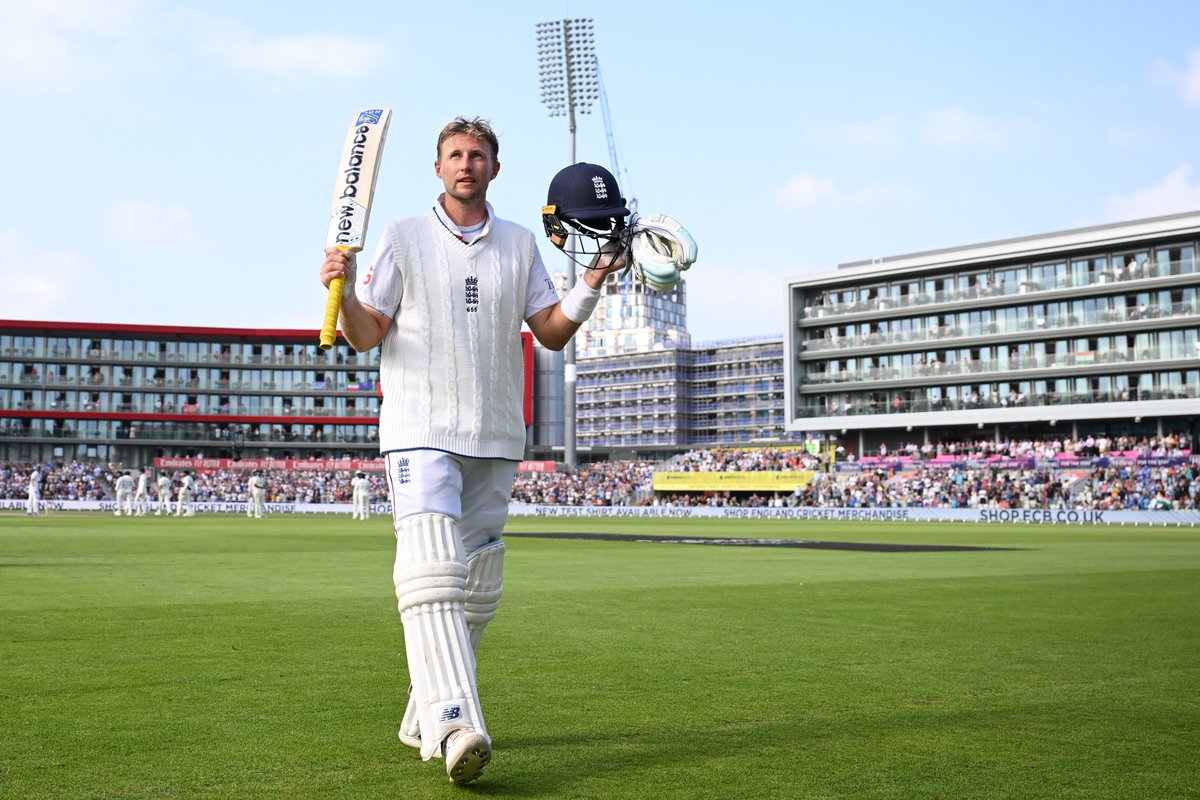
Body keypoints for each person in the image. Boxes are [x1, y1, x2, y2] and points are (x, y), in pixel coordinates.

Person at [318, 117, 629, 786]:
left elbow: (550, 332)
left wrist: (594, 279)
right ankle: (457, 723)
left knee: (478, 585)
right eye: (455, 155)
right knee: (431, 570)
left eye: (478, 155)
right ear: (438, 167)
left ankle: (419, 716)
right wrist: (341, 295)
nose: (466, 164)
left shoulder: (518, 243)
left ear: (494, 167)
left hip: (495, 432)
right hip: (420, 425)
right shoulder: (402, 236)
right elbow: (367, 335)